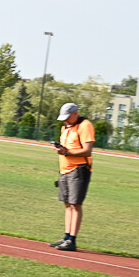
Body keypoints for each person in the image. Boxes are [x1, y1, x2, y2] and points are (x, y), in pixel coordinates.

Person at [48, 102, 94, 252]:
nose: (65, 121)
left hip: (79, 170)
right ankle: (66, 237)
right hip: (65, 170)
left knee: (76, 204)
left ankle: (72, 240)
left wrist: (66, 152)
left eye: (68, 117)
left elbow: (87, 151)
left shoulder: (85, 125)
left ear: (75, 113)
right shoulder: (66, 127)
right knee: (67, 203)